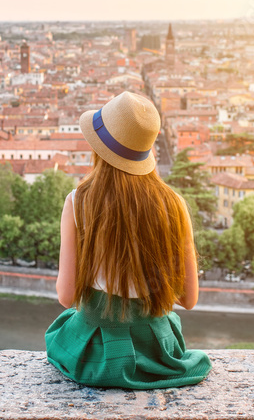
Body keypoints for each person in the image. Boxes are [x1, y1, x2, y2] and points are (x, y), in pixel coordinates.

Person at [45, 91, 212, 389]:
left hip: (96, 352)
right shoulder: (173, 204)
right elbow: (189, 299)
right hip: (157, 351)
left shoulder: (77, 202)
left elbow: (66, 296)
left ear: (99, 149)